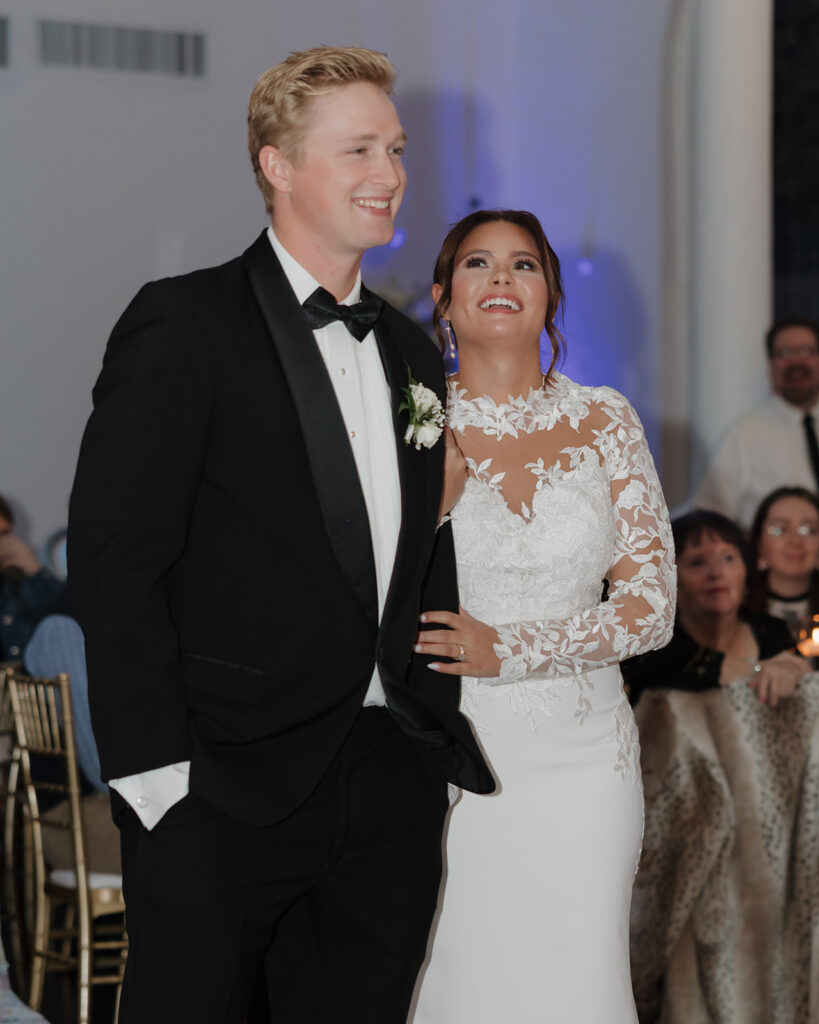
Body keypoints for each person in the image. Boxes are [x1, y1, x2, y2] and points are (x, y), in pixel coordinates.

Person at [68, 46, 492, 1024]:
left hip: (386, 782)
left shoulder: (413, 350)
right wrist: (152, 773)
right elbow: (115, 559)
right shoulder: (185, 322)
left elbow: (420, 545)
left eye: (395, 149)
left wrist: (428, 728)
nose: (389, 175)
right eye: (358, 151)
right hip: (219, 782)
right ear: (277, 164)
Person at [409, 210, 676, 1024]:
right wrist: (433, 507)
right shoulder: (410, 425)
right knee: (455, 977)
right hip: (446, 755)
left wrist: (511, 650)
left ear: (550, 295)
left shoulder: (606, 420)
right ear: (442, 298)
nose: (499, 279)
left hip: (582, 761)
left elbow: (652, 609)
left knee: (575, 984)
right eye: (478, 264)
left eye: (522, 265)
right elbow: (350, 588)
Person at [623, 510, 808, 708]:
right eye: (697, 562)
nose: (716, 573)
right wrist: (757, 670)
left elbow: (805, 680)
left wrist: (792, 670)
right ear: (671, 580)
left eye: (728, 558)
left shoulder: (772, 632)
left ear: (746, 571)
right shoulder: (651, 646)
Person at [695, 317, 819, 528]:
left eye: (807, 351)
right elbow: (710, 516)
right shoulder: (743, 435)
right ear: (771, 366)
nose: (796, 361)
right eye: (785, 353)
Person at [0, 494, 66, 662]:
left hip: (25, 685)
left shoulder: (23, 584)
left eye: (4, 535)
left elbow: (66, 617)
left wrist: (34, 571)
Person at [750, 485, 819, 638]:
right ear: (760, 544)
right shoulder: (733, 612)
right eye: (779, 529)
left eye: (808, 530)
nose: (795, 541)